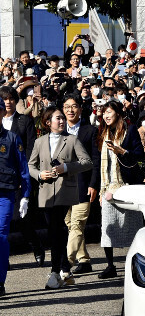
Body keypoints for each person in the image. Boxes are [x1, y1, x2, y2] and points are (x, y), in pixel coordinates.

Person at [28, 107, 92, 289]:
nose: (62, 121)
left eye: (63, 118)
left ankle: (55, 271)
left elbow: (87, 162)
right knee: (56, 229)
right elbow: (30, 166)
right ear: (48, 122)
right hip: (46, 192)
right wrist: (40, 175)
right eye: (58, 118)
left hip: (66, 191)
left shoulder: (71, 140)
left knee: (55, 228)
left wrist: (67, 168)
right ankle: (65, 268)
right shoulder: (39, 142)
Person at [96, 100, 145, 279]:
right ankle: (110, 265)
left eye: (109, 112)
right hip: (109, 185)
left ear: (117, 112)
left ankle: (136, 263)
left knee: (134, 226)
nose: (106, 116)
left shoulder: (130, 130)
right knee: (107, 226)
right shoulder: (104, 132)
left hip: (127, 184)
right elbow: (100, 163)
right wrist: (101, 189)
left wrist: (122, 151)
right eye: (104, 113)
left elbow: (140, 155)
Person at [0, 86, 43, 266]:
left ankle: (37, 246)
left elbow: (30, 148)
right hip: (4, 178)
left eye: (11, 99)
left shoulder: (24, 120)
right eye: (5, 99)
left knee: (22, 219)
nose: (8, 102)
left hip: (18, 176)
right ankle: (3, 259)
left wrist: (21, 175)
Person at [62, 94, 100, 275]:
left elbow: (95, 159)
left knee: (77, 223)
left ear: (80, 109)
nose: (70, 110)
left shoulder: (90, 130)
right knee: (70, 222)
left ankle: (65, 263)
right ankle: (84, 260)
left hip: (84, 184)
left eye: (74, 106)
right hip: (64, 186)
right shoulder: (58, 132)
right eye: (67, 106)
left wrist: (94, 184)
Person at [0, 96, 31, 297]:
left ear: (3, 113)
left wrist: (26, 196)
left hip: (5, 194)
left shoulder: (12, 138)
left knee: (1, 236)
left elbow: (23, 169)